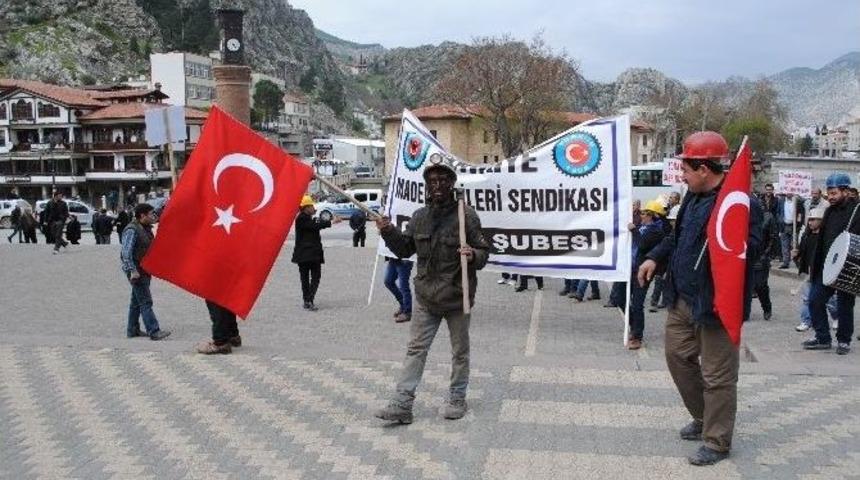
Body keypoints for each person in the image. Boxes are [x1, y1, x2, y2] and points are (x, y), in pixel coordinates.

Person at [638, 131, 763, 466]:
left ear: (704, 169)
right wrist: (654, 258)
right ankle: (703, 415)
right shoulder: (691, 198)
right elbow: (678, 239)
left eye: (686, 169)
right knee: (677, 357)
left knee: (718, 376)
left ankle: (718, 440)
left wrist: (730, 241)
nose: (682, 175)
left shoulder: (740, 203)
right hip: (681, 297)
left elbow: (750, 250)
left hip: (717, 304)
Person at [374, 158, 490, 423]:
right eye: (432, 181)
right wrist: (388, 232)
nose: (437, 185)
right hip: (426, 297)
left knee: (459, 352)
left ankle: (457, 398)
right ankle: (402, 405)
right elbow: (404, 249)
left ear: (451, 184)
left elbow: (484, 252)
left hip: (458, 297)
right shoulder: (420, 218)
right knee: (416, 350)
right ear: (427, 185)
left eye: (443, 180)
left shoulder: (466, 216)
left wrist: (472, 254)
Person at [802, 173, 859, 355]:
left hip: (848, 267)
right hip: (826, 266)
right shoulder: (829, 211)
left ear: (845, 191)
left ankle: (843, 341)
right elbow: (822, 239)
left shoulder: (858, 211)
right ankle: (823, 338)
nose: (831, 197)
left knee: (844, 305)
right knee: (815, 300)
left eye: (834, 193)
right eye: (829, 193)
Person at [120, 203, 170, 341]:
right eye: (150, 214)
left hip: (144, 269)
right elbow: (126, 253)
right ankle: (154, 330)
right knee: (146, 301)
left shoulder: (144, 227)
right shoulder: (132, 229)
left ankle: (132, 330)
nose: (153, 216)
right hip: (137, 271)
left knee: (136, 301)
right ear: (142, 215)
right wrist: (132, 271)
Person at [626, 199, 668, 350]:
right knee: (619, 298)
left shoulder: (656, 231)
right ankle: (632, 324)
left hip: (642, 271)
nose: (641, 215)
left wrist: (634, 230)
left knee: (637, 303)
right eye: (642, 213)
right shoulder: (641, 227)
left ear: (653, 216)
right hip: (628, 269)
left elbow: (642, 244)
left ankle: (637, 335)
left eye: (644, 213)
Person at [792, 207, 838, 332]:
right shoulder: (806, 236)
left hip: (823, 273)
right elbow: (801, 255)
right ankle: (806, 321)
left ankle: (836, 317)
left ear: (821, 221)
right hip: (809, 272)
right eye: (809, 220)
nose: (810, 222)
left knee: (829, 300)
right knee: (807, 299)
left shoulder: (827, 237)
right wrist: (796, 255)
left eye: (814, 220)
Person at [292, 195, 340, 311]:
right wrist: (331, 222)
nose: (314, 208)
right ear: (306, 207)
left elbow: (314, 225)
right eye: (311, 206)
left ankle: (307, 300)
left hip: (306, 255)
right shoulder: (303, 218)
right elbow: (315, 227)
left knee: (306, 278)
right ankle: (309, 300)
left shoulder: (305, 218)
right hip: (309, 255)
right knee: (314, 277)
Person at [752, 208, 776, 320]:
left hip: (761, 256)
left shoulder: (767, 217)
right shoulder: (741, 214)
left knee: (760, 285)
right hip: (745, 255)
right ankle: (744, 311)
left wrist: (766, 253)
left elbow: (773, 237)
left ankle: (767, 308)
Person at [777, 193, 804, 269]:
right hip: (784, 226)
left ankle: (797, 262)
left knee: (795, 245)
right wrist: (779, 220)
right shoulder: (781, 201)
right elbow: (778, 212)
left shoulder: (798, 201)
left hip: (794, 226)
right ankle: (786, 262)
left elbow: (801, 213)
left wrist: (799, 224)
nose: (789, 193)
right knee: (784, 245)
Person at [384, 258, 414, 323]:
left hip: (405, 259)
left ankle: (407, 312)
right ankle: (403, 305)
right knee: (388, 281)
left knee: (403, 286)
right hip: (394, 257)